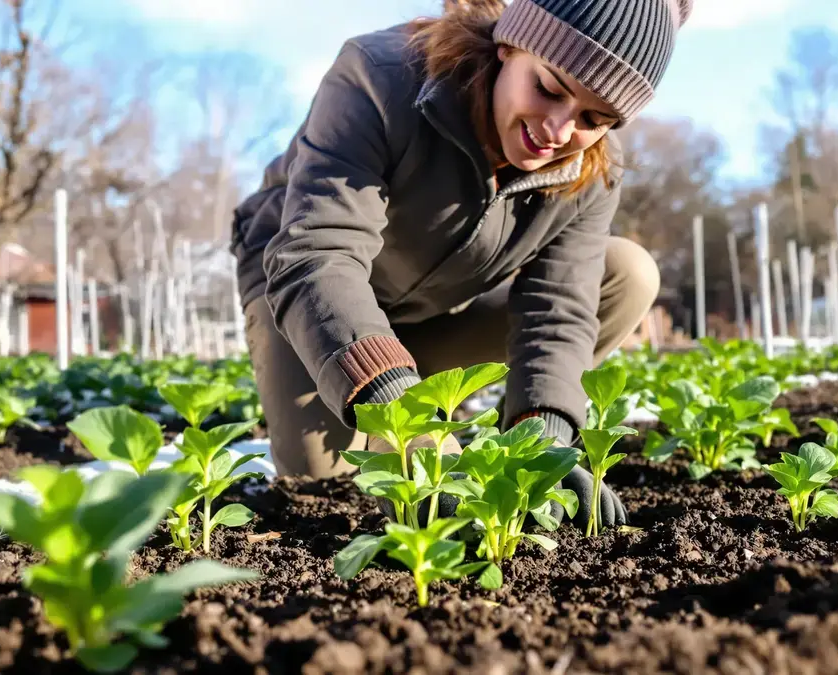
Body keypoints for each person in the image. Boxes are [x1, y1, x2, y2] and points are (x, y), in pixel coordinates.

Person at [230, 0, 693, 531]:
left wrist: (542, 441)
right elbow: (318, 253)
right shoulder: (379, 77)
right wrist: (402, 417)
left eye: (594, 119)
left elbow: (558, 313)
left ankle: (412, 387)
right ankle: (390, 384)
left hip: (431, 313)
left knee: (628, 273)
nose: (558, 131)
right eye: (549, 88)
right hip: (303, 291)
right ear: (510, 46)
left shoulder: (589, 172)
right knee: (320, 482)